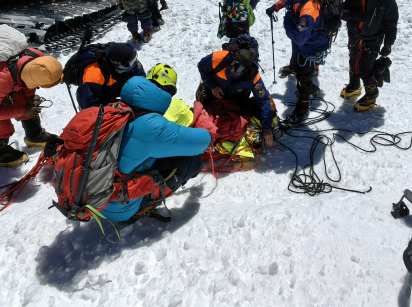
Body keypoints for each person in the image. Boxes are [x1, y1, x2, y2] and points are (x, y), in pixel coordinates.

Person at [98, 74, 212, 224]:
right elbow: (202, 142)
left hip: (93, 197)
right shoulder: (150, 126)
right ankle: (140, 208)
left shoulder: (108, 112)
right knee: (192, 161)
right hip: (119, 208)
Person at [265, 0, 329, 123]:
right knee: (299, 65)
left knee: (302, 75)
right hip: (305, 41)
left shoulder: (308, 9)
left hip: (310, 45)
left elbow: (300, 38)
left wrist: (287, 21)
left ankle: (303, 106)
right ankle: (309, 83)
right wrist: (276, 7)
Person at [196, 36, 275, 159]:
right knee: (204, 111)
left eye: (238, 70)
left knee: (264, 110)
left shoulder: (252, 75)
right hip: (214, 94)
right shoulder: (219, 58)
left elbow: (263, 99)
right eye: (232, 66)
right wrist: (213, 86)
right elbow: (201, 66)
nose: (233, 71)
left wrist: (267, 128)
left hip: (236, 99)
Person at [339, 0, 398, 111]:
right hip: (354, 36)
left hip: (373, 39)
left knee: (366, 68)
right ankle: (354, 86)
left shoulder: (386, 0)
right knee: (353, 61)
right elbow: (342, 13)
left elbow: (391, 25)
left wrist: (388, 44)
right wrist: (355, 16)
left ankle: (372, 94)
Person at [76, 43, 146, 110]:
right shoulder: (93, 74)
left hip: (115, 90)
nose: (134, 63)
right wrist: (112, 108)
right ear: (116, 64)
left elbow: (140, 77)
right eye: (131, 63)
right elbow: (90, 106)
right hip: (98, 100)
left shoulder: (129, 58)